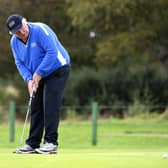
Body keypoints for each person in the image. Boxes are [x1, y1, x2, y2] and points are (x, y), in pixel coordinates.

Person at [6, 14, 70, 154]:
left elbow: (52, 53)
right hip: (37, 75)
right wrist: (29, 79)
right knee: (35, 106)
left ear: (25, 21)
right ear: (13, 33)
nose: (21, 31)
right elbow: (19, 63)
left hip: (58, 68)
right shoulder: (14, 42)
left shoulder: (40, 29)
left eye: (22, 27)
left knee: (50, 105)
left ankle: (50, 143)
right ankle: (33, 143)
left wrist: (38, 73)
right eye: (17, 31)